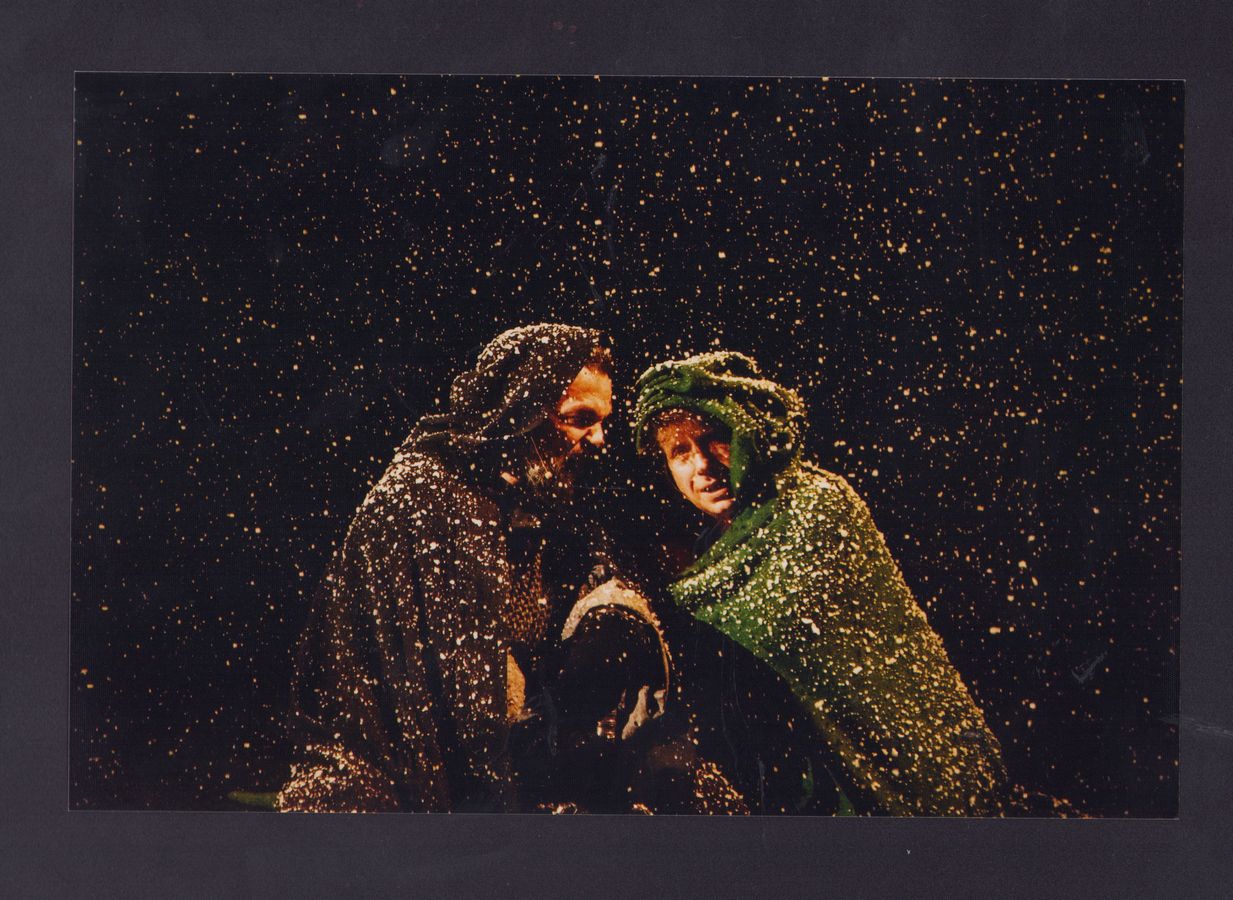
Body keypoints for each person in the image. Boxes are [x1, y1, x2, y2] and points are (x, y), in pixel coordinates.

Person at [632, 351, 1007, 816]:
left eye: (715, 439)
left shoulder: (815, 505)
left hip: (861, 782)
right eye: (680, 453)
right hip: (782, 794)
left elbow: (821, 655)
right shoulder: (711, 548)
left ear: (752, 431)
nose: (702, 465)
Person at [278, 323, 623, 812]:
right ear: (521, 410)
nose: (599, 439)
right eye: (580, 418)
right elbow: (463, 703)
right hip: (378, 799)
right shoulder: (433, 497)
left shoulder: (512, 503)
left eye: (603, 420)